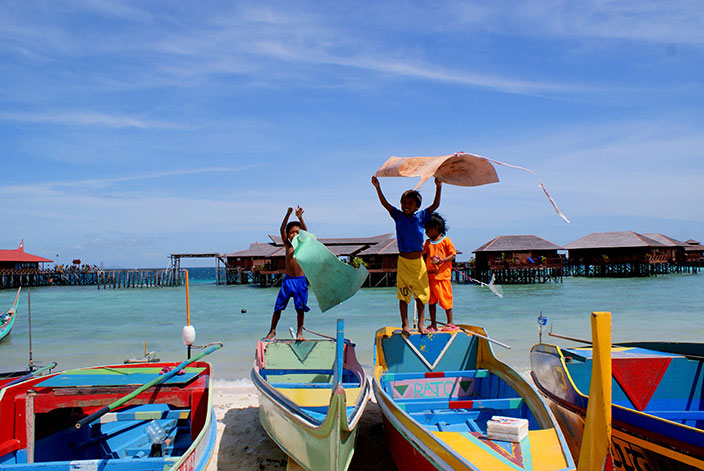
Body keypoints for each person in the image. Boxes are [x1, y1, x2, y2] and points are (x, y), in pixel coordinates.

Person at [371, 175, 442, 335]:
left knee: (421, 295)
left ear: (417, 206)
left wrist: (438, 186)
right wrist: (377, 187)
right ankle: (405, 324)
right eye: (403, 202)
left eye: (410, 203)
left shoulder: (422, 216)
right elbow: (385, 204)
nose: (405, 205)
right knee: (403, 296)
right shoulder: (398, 216)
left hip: (418, 264)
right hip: (403, 262)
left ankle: (422, 324)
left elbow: (436, 204)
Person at [264, 206, 310, 341]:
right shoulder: (288, 246)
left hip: (300, 281)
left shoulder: (303, 244)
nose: (294, 234)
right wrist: (288, 214)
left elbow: (305, 232)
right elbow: (281, 229)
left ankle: (300, 333)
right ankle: (272, 331)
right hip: (288, 281)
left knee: (300, 308)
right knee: (278, 307)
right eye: (291, 233)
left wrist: (300, 217)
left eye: (297, 232)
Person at [423, 213, 457, 332]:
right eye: (425, 230)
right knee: (431, 302)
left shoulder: (446, 241)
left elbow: (452, 255)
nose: (426, 232)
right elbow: (423, 255)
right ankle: (433, 324)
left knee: (446, 300)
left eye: (428, 229)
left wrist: (443, 260)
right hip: (430, 277)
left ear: (436, 228)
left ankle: (450, 323)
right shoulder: (428, 243)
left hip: (443, 277)